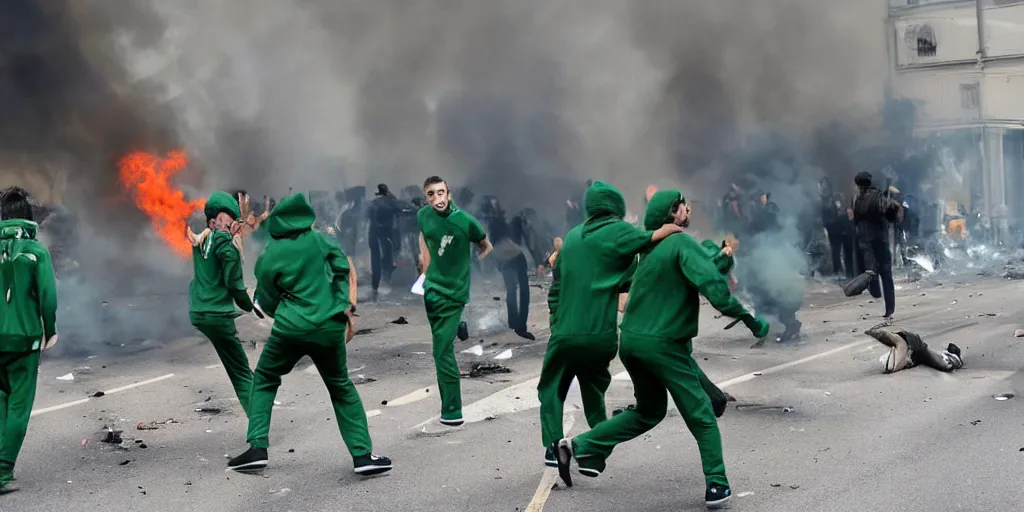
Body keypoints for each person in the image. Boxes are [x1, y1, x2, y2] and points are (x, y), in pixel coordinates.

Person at [554, 189, 769, 510]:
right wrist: (751, 320)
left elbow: (618, 278)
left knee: (649, 411)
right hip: (664, 343)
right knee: (701, 414)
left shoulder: (646, 250)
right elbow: (713, 286)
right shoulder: (681, 242)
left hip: (632, 344)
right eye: (683, 206)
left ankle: (579, 445)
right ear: (674, 213)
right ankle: (717, 484)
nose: (688, 209)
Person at [227, 193, 392, 475]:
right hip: (329, 327)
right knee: (341, 388)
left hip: (290, 329)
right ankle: (362, 456)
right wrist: (343, 306)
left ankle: (257, 448)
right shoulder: (322, 241)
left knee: (265, 378)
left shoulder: (271, 254)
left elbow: (265, 299)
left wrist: (286, 311)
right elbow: (342, 270)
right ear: (306, 217)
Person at [539, 182, 684, 468]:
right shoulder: (618, 230)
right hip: (600, 336)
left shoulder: (572, 237)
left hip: (565, 334)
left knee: (552, 388)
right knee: (593, 391)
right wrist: (669, 230)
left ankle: (553, 445)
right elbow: (647, 241)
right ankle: (594, 453)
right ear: (615, 206)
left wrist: (556, 317)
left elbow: (556, 285)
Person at [417, 176, 492, 428]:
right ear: (425, 197)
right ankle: (459, 322)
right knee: (441, 347)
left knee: (441, 351)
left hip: (453, 294)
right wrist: (425, 269)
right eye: (431, 194)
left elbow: (484, 242)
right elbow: (424, 238)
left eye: (441, 193)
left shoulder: (465, 222)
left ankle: (452, 411)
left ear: (449, 194)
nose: (436, 198)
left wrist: (478, 254)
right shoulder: (423, 216)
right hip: (432, 292)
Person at [0, 187, 59, 494]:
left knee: (1, 405)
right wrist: (50, 330)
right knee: (18, 407)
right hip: (24, 342)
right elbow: (47, 297)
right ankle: (2, 471)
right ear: (28, 217)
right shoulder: (36, 252)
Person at [187, 191, 260, 418]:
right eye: (227, 218)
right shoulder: (227, 245)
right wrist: (252, 307)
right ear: (212, 221)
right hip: (217, 314)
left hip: (199, 312)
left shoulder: (202, 239)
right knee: (240, 373)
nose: (233, 223)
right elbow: (234, 285)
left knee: (236, 364)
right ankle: (259, 426)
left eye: (233, 218)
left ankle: (256, 392)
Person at [845, 172, 902, 323]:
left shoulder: (860, 200)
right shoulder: (878, 198)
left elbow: (856, 221)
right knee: (886, 275)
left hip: (866, 242)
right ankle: (889, 309)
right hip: (879, 240)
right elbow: (891, 216)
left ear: (860, 185)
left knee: (871, 272)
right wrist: (893, 206)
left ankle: (879, 296)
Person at [485, 198, 535, 340]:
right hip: (509, 260)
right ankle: (516, 325)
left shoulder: (499, 227)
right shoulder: (493, 228)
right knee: (514, 291)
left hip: (516, 258)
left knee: (519, 291)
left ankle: (518, 326)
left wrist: (496, 205)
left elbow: (499, 218)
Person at [865, 326, 963, 374]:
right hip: (913, 350)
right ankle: (881, 334)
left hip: (912, 350)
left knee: (905, 345)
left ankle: (881, 334)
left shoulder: (949, 360)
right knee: (907, 347)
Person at [367, 184, 402, 301]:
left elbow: (367, 217)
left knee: (375, 262)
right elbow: (399, 210)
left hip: (373, 235)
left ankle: (375, 288)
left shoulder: (373, 203)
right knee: (388, 259)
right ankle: (386, 283)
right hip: (386, 234)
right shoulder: (391, 202)